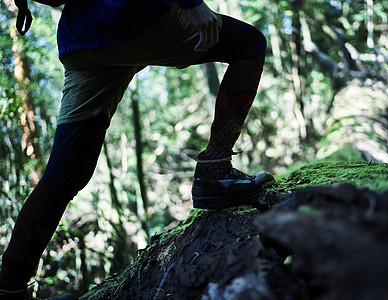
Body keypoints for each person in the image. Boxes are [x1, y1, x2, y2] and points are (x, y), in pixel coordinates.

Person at [0, 0, 274, 298]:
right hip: (132, 17)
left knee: (64, 174)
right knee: (249, 43)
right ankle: (215, 171)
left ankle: (9, 287)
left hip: (80, 42)